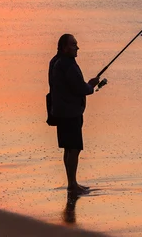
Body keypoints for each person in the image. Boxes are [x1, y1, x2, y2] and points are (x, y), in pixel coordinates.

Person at [48, 34, 100, 194]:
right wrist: (91, 86)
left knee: (68, 148)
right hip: (70, 113)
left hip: (60, 110)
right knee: (74, 148)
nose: (77, 47)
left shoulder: (55, 61)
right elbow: (79, 88)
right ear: (64, 47)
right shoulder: (67, 64)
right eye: (73, 44)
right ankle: (72, 185)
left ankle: (72, 182)